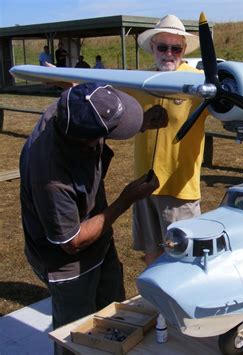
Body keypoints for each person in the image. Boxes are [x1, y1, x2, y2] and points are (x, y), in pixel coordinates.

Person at [19, 82, 165, 337]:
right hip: (69, 266)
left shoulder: (67, 109)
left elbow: (94, 113)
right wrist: (126, 199)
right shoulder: (52, 179)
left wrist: (139, 122)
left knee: (115, 321)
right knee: (77, 335)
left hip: (99, 242)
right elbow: (71, 242)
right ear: (88, 139)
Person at [132, 14, 206, 266]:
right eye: (162, 47)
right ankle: (156, 303)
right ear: (152, 48)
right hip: (144, 186)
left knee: (185, 260)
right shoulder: (139, 81)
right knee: (151, 254)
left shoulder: (198, 82)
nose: (169, 53)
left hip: (179, 189)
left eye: (175, 48)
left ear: (183, 50)